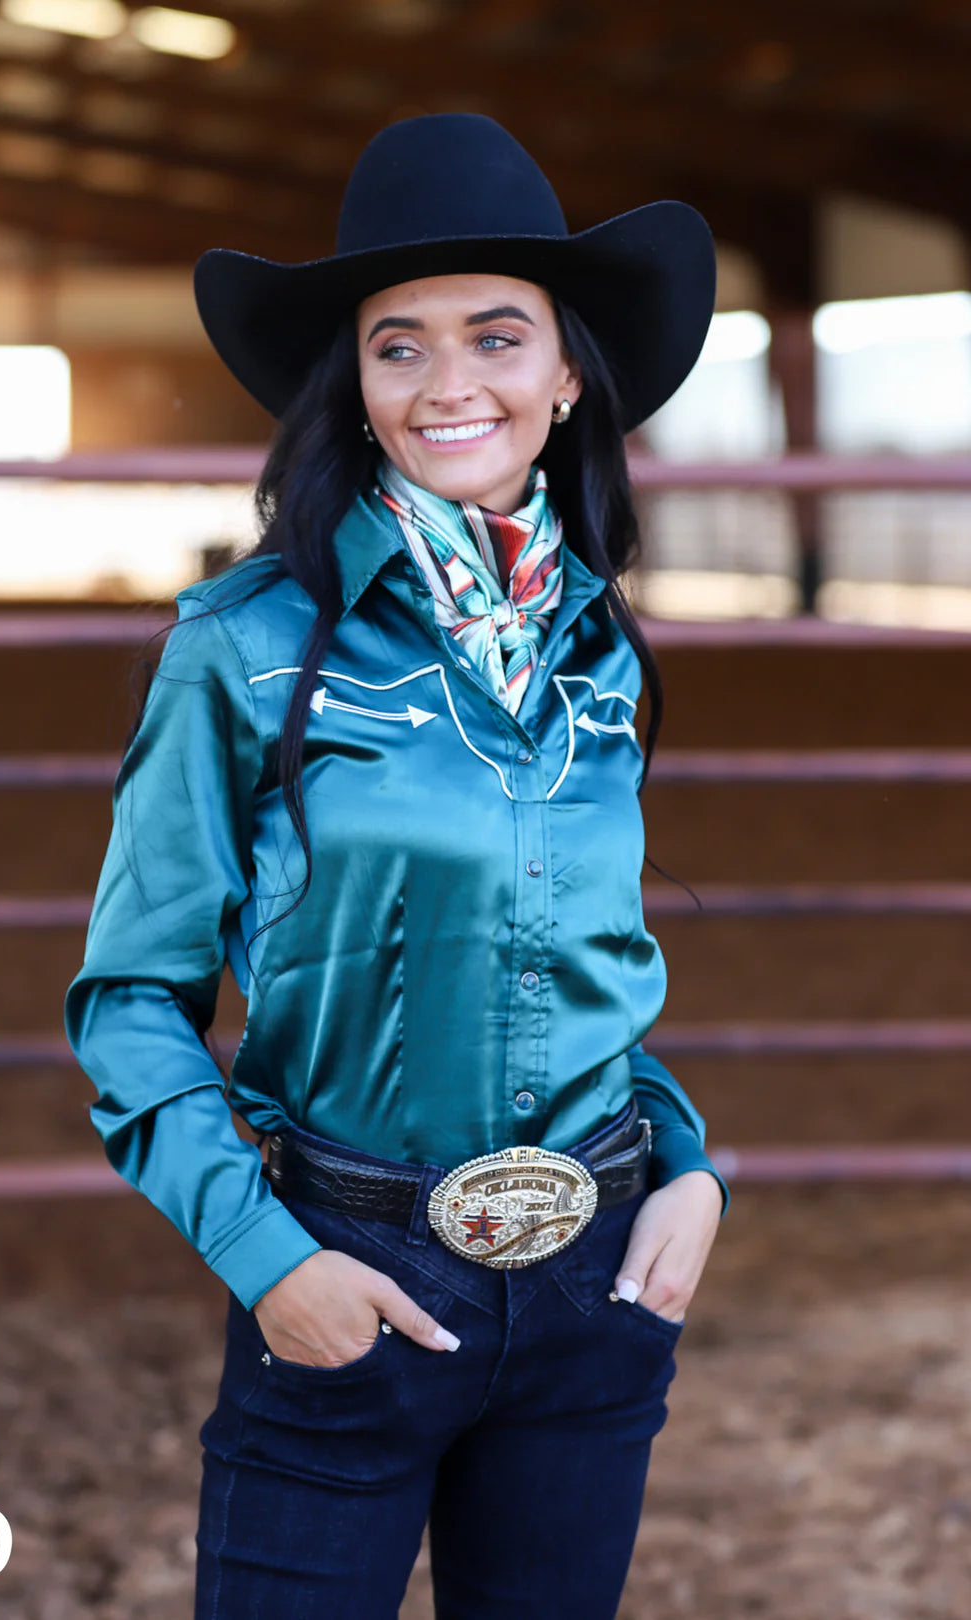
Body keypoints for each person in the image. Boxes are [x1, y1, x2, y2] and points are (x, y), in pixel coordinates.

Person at [65, 112, 729, 1620]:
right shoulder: (238, 649)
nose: (449, 385)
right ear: (355, 389)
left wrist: (691, 1174)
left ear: (566, 377)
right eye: (398, 346)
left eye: (498, 338)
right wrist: (269, 1262)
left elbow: (592, 971)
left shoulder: (598, 655)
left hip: (597, 1285)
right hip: (348, 1277)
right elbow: (127, 997)